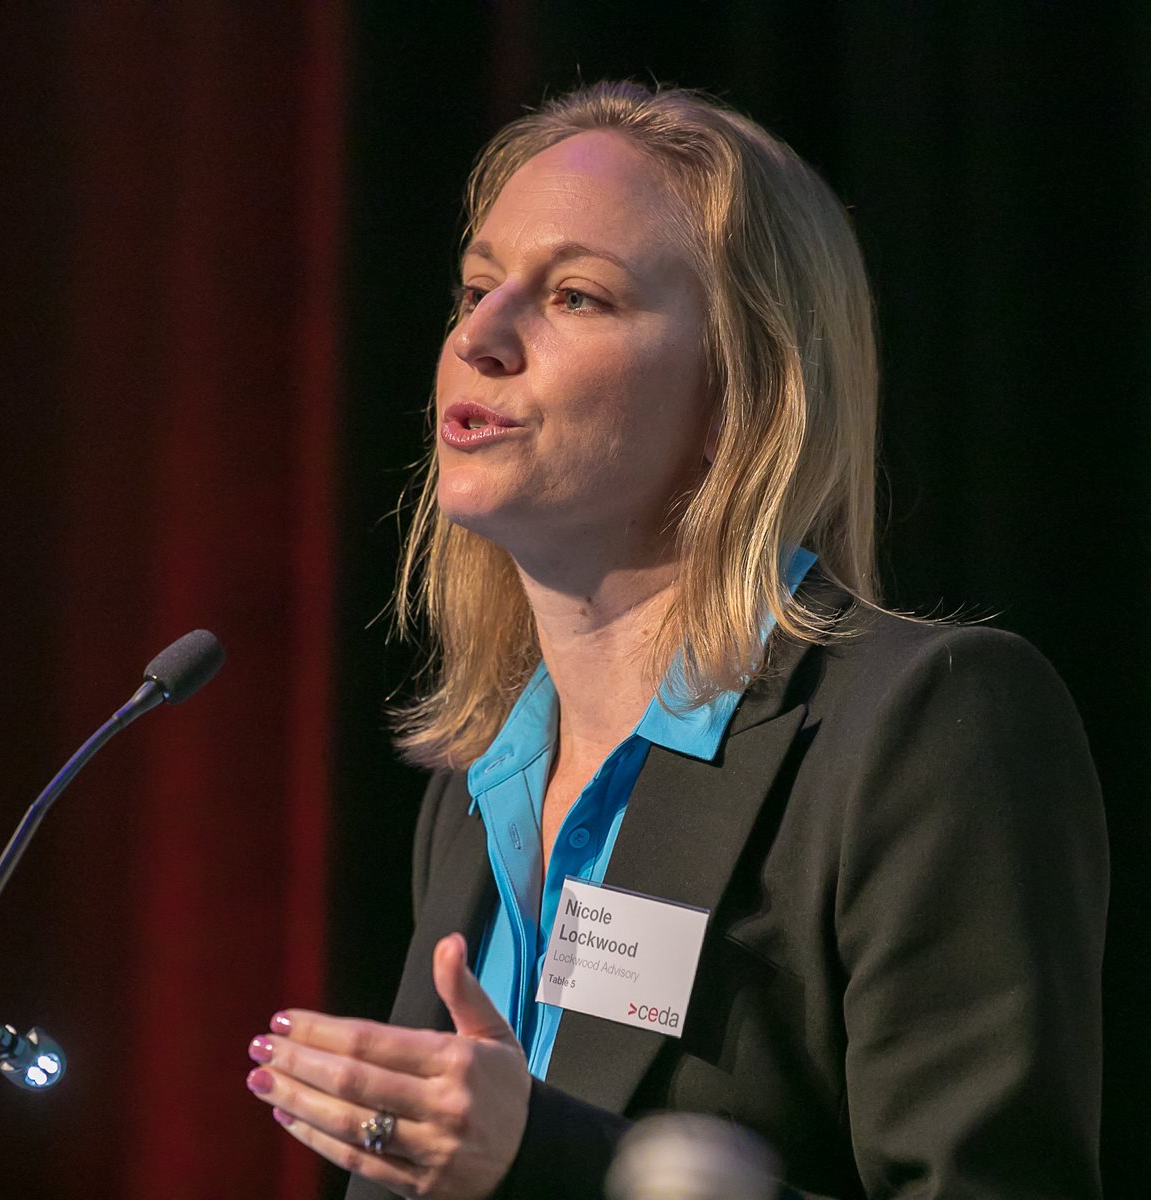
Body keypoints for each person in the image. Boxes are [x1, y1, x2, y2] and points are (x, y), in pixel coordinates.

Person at [242, 81, 1107, 1200]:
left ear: (737, 394)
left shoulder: (928, 726)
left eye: (577, 296)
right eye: (477, 287)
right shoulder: (477, 788)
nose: (478, 337)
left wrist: (548, 1162)